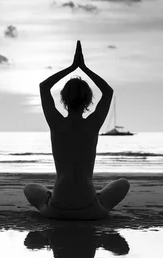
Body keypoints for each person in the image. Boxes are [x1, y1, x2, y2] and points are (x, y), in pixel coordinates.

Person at [23, 40, 130, 220]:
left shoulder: (56, 123)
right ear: (88, 101)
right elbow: (108, 91)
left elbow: (44, 87)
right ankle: (96, 199)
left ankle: (50, 200)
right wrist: (84, 68)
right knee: (123, 183)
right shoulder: (93, 123)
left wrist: (72, 68)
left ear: (63, 99)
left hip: (57, 209)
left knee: (29, 188)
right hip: (90, 210)